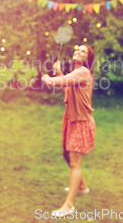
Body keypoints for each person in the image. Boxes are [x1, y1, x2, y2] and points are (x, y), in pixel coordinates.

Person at [41, 45, 95, 216]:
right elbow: (66, 87)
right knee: (67, 154)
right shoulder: (76, 73)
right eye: (77, 50)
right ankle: (82, 186)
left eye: (82, 51)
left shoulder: (83, 72)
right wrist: (58, 72)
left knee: (74, 161)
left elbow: (61, 82)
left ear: (87, 59)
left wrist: (49, 78)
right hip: (71, 119)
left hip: (81, 122)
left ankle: (69, 205)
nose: (78, 52)